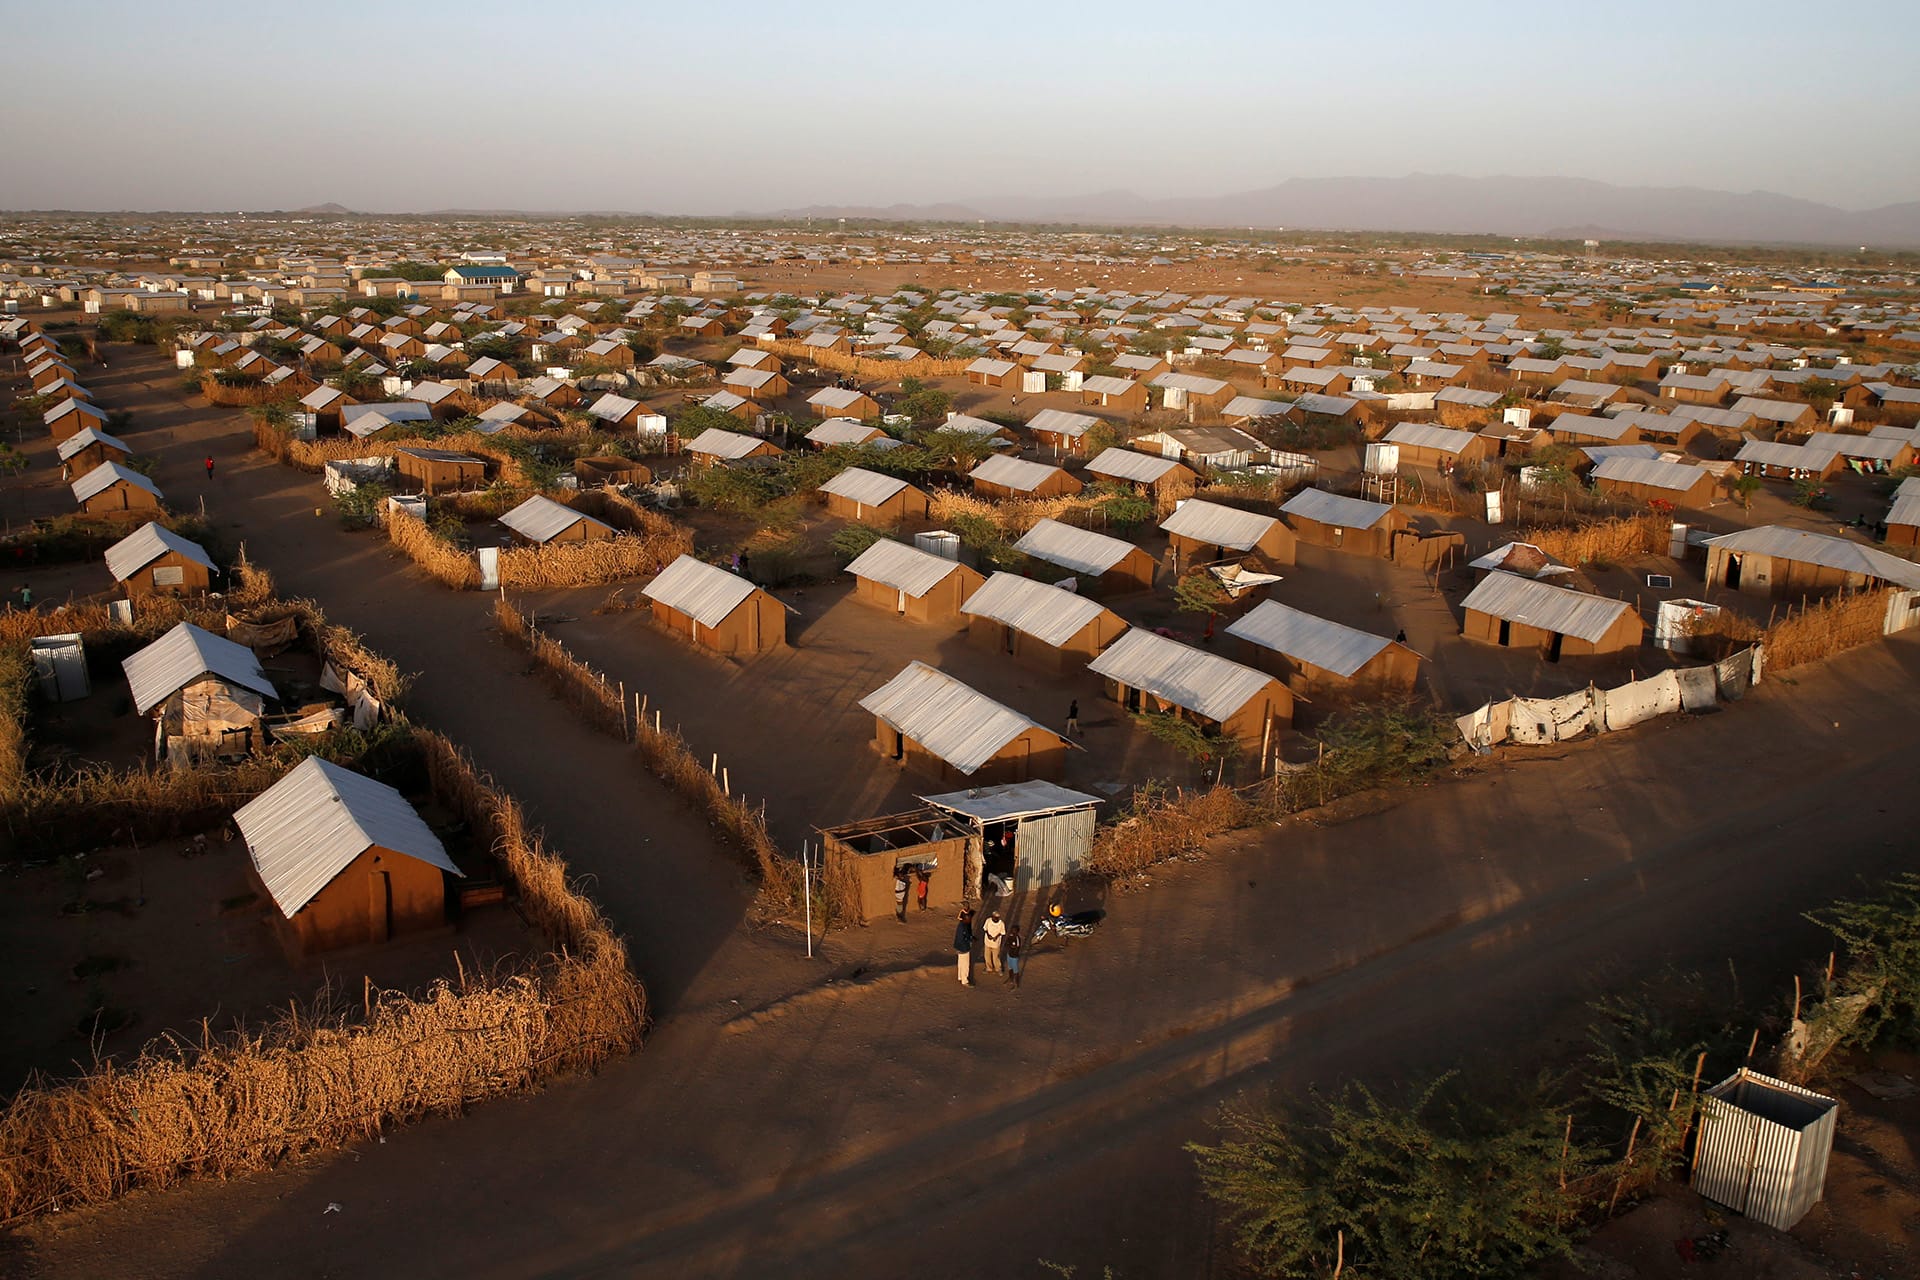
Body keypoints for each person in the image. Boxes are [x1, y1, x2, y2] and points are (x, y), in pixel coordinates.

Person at [954, 909, 975, 986]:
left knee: (961, 963)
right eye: (969, 919)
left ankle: (960, 976)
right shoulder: (963, 927)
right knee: (965, 965)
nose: (970, 920)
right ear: (966, 919)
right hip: (963, 948)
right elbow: (962, 938)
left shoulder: (961, 924)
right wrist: (968, 941)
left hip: (959, 947)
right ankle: (965, 980)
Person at [981, 910, 1006, 974]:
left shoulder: (1001, 923)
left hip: (996, 943)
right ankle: (989, 968)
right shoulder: (988, 920)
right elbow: (985, 928)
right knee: (987, 956)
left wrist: (996, 937)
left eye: (996, 918)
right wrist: (988, 935)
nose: (995, 919)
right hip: (987, 942)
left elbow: (1002, 932)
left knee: (996, 957)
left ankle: (998, 969)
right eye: (994, 917)